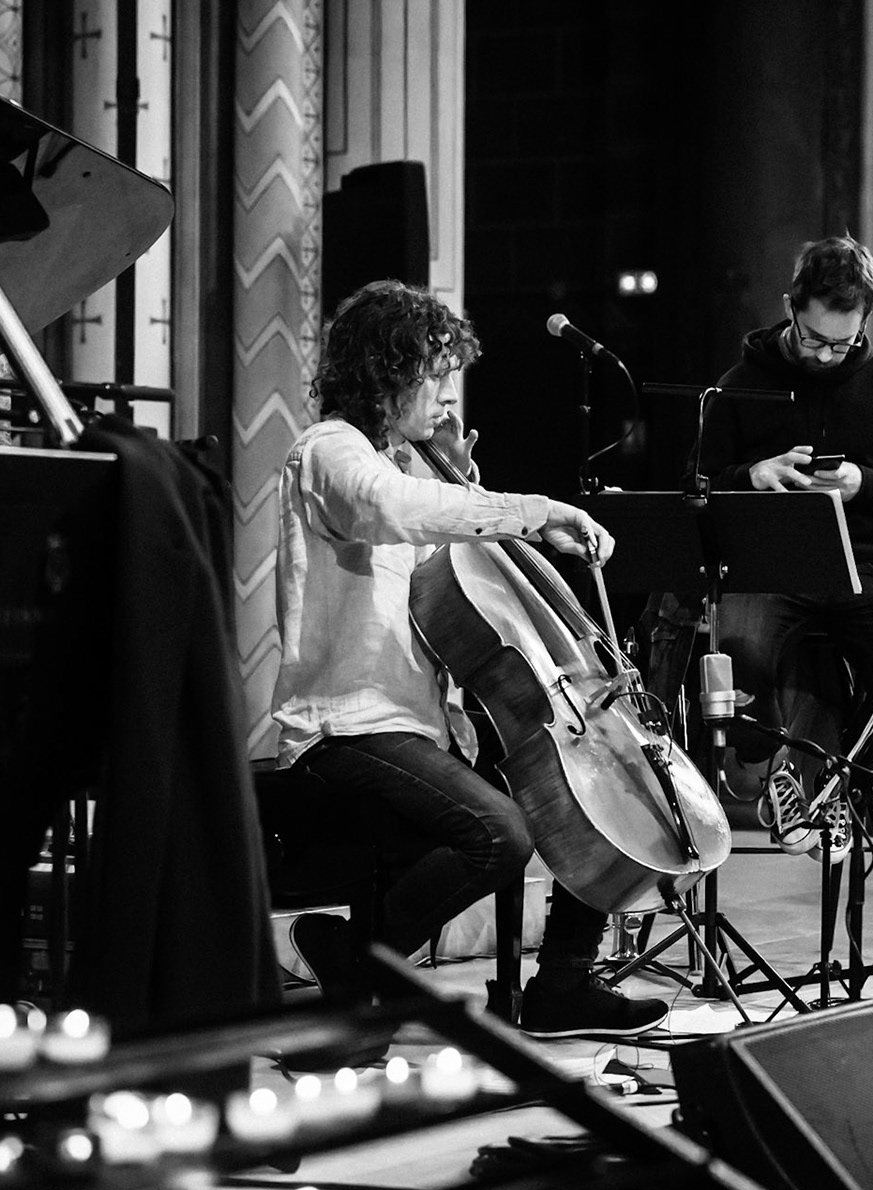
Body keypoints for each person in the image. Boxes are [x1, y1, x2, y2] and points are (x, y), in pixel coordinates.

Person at [271, 279, 670, 1044]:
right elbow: (388, 509)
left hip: (421, 727)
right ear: (391, 374)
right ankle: (357, 961)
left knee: (594, 797)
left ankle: (562, 983)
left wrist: (469, 485)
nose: (444, 399)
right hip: (343, 728)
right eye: (434, 377)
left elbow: (465, 581)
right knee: (500, 834)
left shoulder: (409, 468)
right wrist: (534, 510)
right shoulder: (329, 452)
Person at [694, 233, 873, 851]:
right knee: (740, 658)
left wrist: (867, 482)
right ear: (790, 306)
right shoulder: (739, 383)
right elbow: (693, 487)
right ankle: (775, 772)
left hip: (862, 563)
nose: (830, 356)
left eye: (844, 341)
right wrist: (751, 476)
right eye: (815, 339)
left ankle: (831, 788)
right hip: (770, 566)